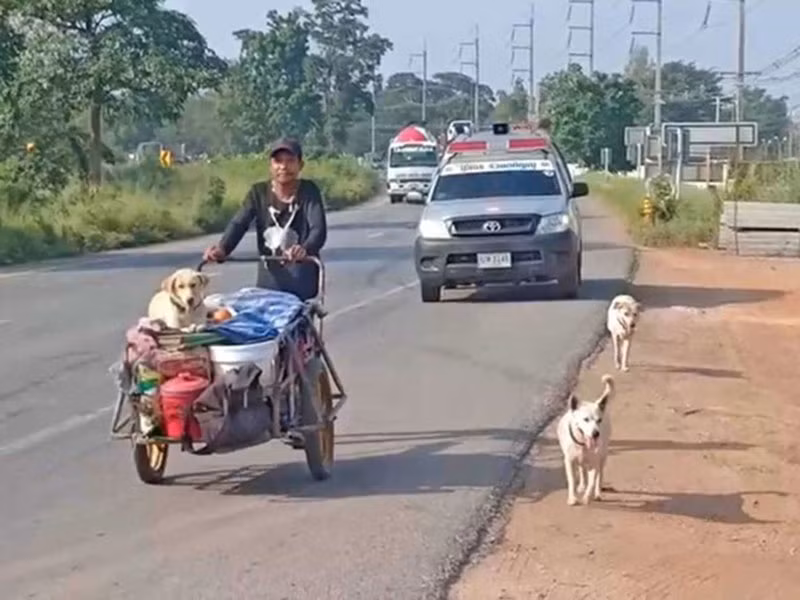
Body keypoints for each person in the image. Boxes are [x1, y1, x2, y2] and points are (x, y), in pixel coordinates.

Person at [203, 138, 327, 301]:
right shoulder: (258, 192)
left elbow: (318, 229)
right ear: (270, 165)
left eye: (290, 161)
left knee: (298, 321)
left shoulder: (308, 191)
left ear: (300, 165)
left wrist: (304, 248)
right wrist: (223, 248)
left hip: (302, 279)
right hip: (269, 282)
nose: (283, 167)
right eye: (278, 161)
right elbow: (239, 223)